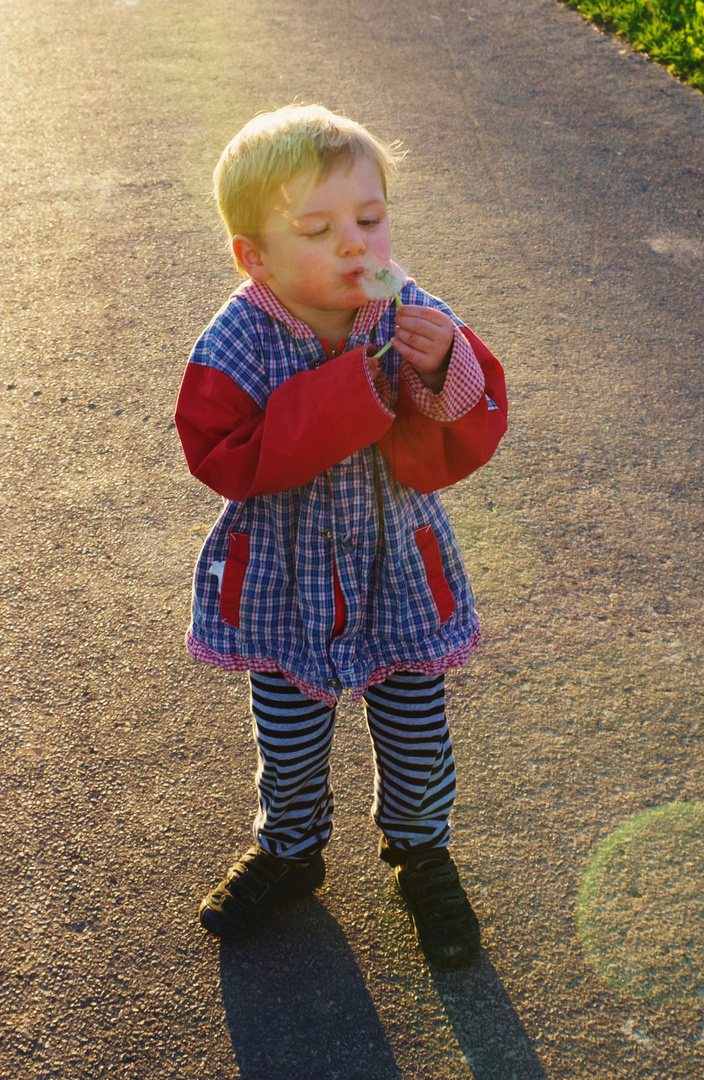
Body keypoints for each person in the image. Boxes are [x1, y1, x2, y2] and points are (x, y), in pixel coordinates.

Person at [174, 104, 507, 968]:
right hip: (288, 579)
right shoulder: (240, 334)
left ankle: (420, 848)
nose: (356, 245)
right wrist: (348, 395)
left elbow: (469, 419)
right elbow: (218, 451)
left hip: (396, 562)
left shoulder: (408, 310)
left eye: (370, 219)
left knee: (415, 726)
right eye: (318, 229)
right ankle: (289, 848)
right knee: (286, 732)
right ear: (257, 256)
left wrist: (441, 367)